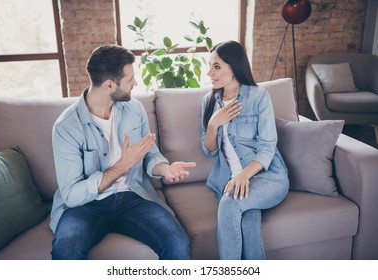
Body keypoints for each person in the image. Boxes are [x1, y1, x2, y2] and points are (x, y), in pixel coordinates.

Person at [50, 44, 196, 260]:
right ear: (110, 85)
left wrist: (164, 168)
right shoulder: (67, 127)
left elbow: (149, 154)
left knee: (177, 241)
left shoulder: (133, 108)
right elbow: (71, 195)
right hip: (86, 205)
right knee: (66, 248)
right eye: (130, 80)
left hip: (132, 196)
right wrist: (122, 165)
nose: (135, 83)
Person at [201, 40, 289, 260]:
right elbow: (209, 150)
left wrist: (243, 175)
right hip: (230, 179)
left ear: (235, 66)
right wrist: (213, 125)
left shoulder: (258, 97)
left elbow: (267, 147)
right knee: (248, 222)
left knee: (230, 204)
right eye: (210, 66)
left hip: (268, 177)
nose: (209, 72)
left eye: (217, 66)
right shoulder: (208, 101)